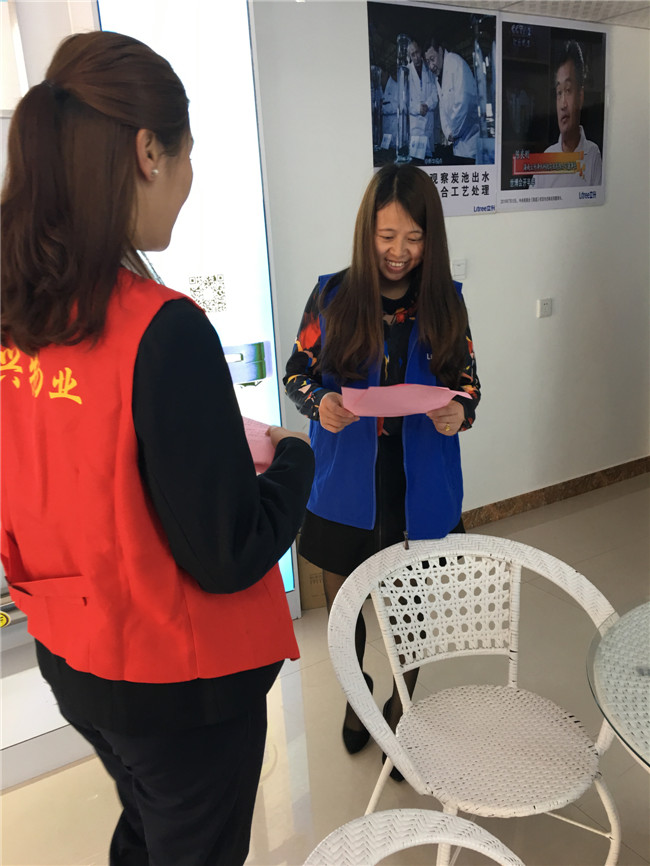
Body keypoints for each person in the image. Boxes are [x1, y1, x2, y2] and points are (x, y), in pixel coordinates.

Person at [0, 31, 314, 866]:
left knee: (148, 826)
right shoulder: (161, 330)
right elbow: (229, 550)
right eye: (188, 152)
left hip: (71, 655)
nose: (190, 175)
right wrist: (294, 462)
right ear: (148, 152)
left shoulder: (17, 313)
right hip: (174, 685)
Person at [284, 164, 480, 776]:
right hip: (347, 476)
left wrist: (460, 410)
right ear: (366, 232)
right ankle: (358, 694)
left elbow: (469, 382)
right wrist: (322, 402)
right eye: (387, 235)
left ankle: (402, 708)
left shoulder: (446, 301)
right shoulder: (332, 296)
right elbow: (296, 373)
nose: (399, 252)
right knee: (347, 605)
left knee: (410, 607)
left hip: (418, 477)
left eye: (414, 238)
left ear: (431, 238)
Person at [532, 40, 602, 188]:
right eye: (559, 93)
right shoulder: (546, 157)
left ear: (580, 97)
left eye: (568, 90)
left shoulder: (593, 154)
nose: (563, 104)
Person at [424, 35, 479, 162]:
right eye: (428, 62)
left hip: (470, 143)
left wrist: (454, 132)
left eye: (432, 59)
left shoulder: (455, 63)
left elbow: (464, 102)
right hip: (457, 144)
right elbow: (442, 108)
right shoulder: (438, 77)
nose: (431, 66)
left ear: (440, 51)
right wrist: (448, 132)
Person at [407, 39, 439, 157]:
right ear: (409, 56)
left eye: (417, 52)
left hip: (428, 121)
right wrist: (417, 108)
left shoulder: (429, 68)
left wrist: (427, 105)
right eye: (413, 54)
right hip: (415, 125)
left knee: (429, 159)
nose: (416, 57)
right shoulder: (406, 72)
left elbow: (436, 93)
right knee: (416, 160)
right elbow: (404, 101)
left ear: (420, 50)